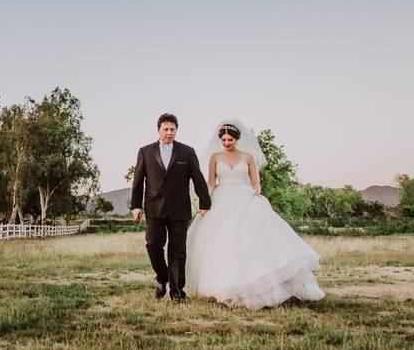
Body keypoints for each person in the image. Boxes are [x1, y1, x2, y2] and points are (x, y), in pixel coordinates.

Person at [185, 119, 325, 309]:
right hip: (221, 200)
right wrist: (205, 203)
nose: (226, 143)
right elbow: (210, 183)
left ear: (237, 139)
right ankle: (220, 286)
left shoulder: (248, 157)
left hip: (245, 198)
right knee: (222, 242)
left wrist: (257, 192)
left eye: (230, 140)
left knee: (252, 241)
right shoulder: (215, 157)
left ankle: (260, 285)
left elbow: (255, 181)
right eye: (224, 140)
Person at [131, 113, 211, 303]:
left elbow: (198, 179)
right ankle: (162, 277)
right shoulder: (145, 151)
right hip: (154, 208)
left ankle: (177, 292)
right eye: (165, 129)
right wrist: (136, 205)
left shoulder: (187, 152)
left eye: (172, 129)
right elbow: (138, 180)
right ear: (158, 130)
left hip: (179, 209)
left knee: (177, 251)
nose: (169, 132)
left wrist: (204, 202)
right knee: (152, 244)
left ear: (176, 131)